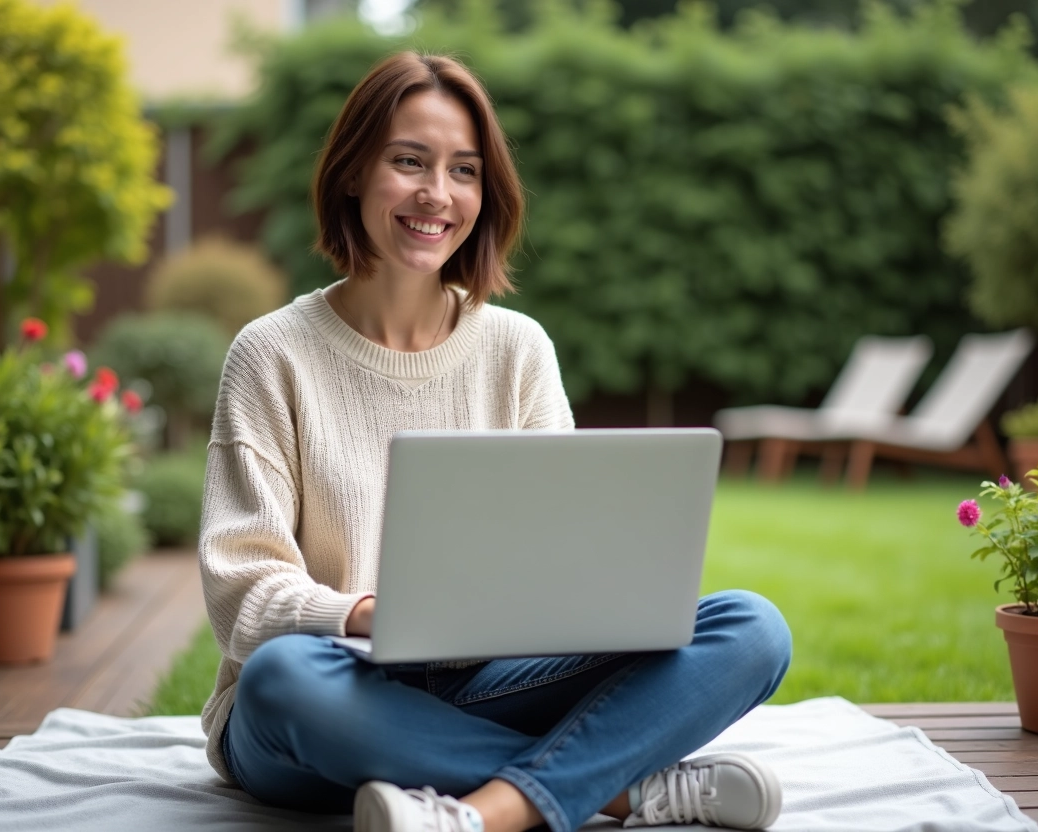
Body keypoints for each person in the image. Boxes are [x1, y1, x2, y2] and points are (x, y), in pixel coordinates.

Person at [198, 51, 793, 832]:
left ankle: (484, 813)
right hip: (327, 700)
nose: (437, 194)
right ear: (351, 174)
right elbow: (242, 589)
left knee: (752, 628)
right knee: (282, 676)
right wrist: (374, 615)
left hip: (489, 684)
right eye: (408, 161)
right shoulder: (271, 354)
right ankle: (618, 790)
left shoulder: (518, 349)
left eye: (464, 170)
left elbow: (565, 556)